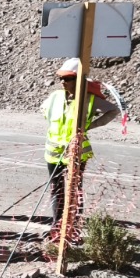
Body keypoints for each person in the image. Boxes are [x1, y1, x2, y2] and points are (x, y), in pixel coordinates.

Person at [42, 57, 120, 239]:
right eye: (61, 78)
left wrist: (89, 126)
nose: (63, 82)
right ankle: (56, 227)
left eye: (67, 78)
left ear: (78, 80)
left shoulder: (89, 99)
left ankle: (72, 229)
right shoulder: (54, 97)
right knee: (56, 190)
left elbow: (113, 110)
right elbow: (45, 111)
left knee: (74, 190)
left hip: (75, 153)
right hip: (53, 154)